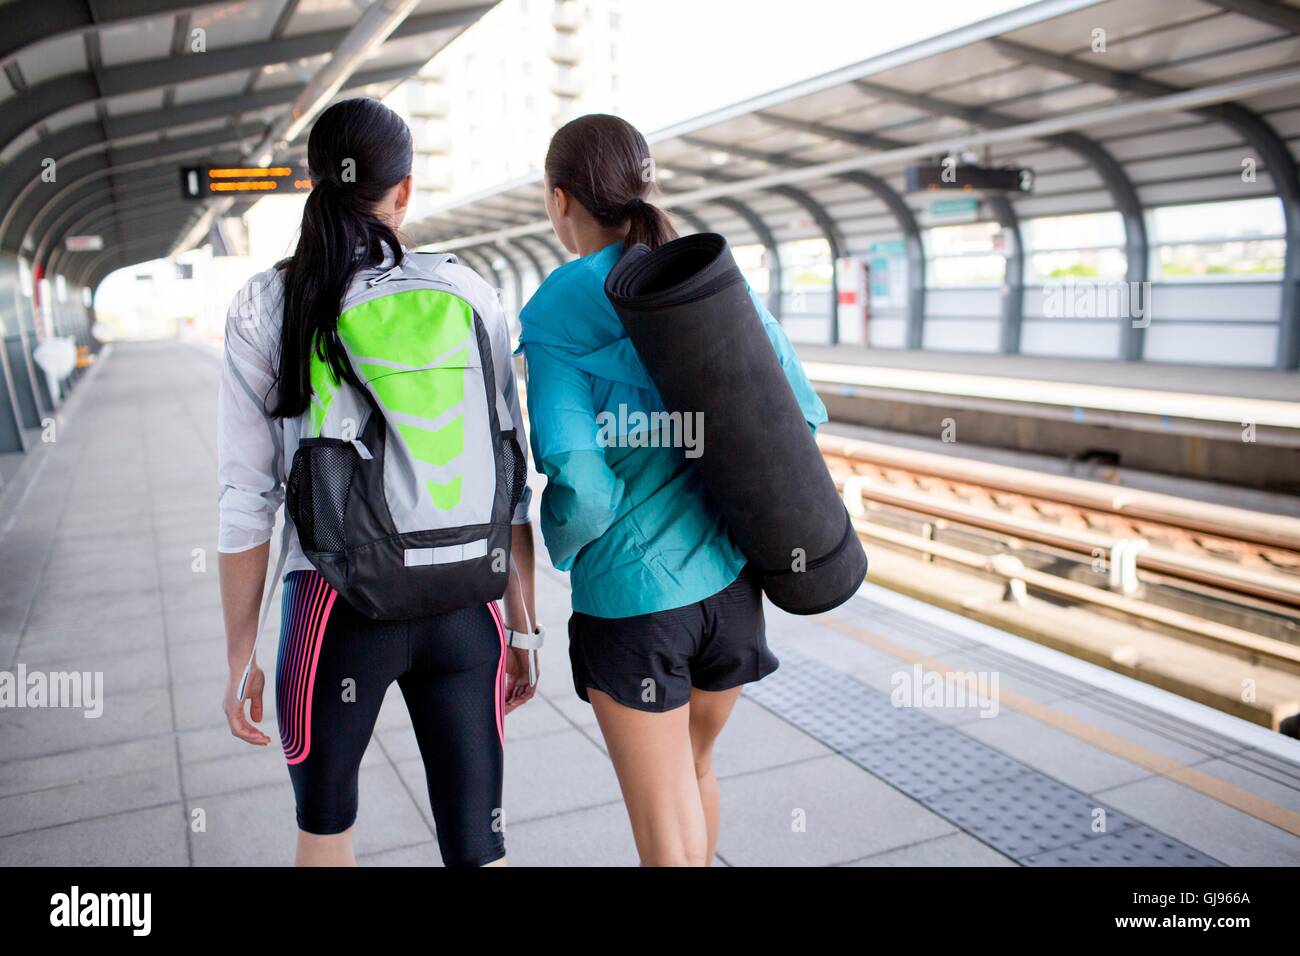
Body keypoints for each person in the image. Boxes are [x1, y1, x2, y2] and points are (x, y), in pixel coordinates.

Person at [217, 98, 537, 867]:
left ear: (315, 181)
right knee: (476, 843)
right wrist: (521, 624)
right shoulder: (469, 291)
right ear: (405, 190)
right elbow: (508, 474)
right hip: (467, 606)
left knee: (326, 829)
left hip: (338, 609)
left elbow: (245, 499)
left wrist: (239, 658)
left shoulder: (269, 302)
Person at [518, 114, 826, 866]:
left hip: (634, 606)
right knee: (695, 773)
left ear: (561, 202)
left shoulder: (556, 312)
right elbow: (803, 418)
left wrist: (563, 548)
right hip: (731, 595)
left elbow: (582, 485)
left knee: (664, 843)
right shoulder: (709, 281)